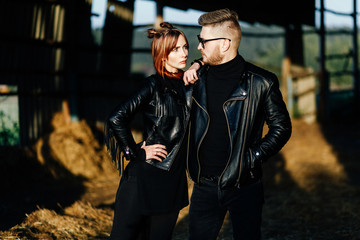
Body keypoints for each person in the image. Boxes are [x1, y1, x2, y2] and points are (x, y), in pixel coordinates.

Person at [183, 9, 292, 240]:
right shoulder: (196, 80)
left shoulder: (263, 82)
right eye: (198, 40)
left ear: (224, 44)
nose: (199, 46)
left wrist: (251, 158)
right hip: (204, 185)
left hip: (245, 186)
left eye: (203, 41)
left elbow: (282, 127)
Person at [104, 22, 192, 240]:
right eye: (176, 49)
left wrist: (198, 65)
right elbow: (116, 118)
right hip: (143, 177)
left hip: (173, 180)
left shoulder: (190, 85)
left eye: (185, 47)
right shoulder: (152, 85)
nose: (184, 53)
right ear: (163, 55)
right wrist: (134, 152)